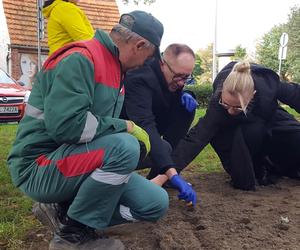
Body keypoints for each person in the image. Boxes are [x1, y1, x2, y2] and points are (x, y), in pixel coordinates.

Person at [8, 10, 168, 250]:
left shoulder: (115, 69)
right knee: (125, 146)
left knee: (154, 202)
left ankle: (68, 215)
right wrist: (125, 127)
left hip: (72, 163)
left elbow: (95, 129)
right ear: (140, 44)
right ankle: (72, 237)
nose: (148, 63)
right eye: (150, 56)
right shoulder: (81, 59)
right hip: (38, 167)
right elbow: (68, 128)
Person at [171, 61, 300, 191]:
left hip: (269, 116)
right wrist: (169, 172)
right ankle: (258, 168)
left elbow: (296, 95)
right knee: (244, 180)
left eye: (237, 107)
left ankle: (281, 164)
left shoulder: (268, 84)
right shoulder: (218, 105)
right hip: (238, 130)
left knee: (295, 139)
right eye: (226, 104)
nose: (230, 111)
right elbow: (197, 137)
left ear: (253, 95)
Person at [121, 43, 198, 204]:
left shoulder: (171, 77)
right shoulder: (139, 77)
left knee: (186, 109)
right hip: (123, 136)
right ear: (162, 64)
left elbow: (168, 94)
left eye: (187, 77)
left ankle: (158, 175)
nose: (182, 83)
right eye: (179, 76)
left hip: (151, 126)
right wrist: (172, 173)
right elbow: (145, 123)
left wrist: (187, 94)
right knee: (164, 148)